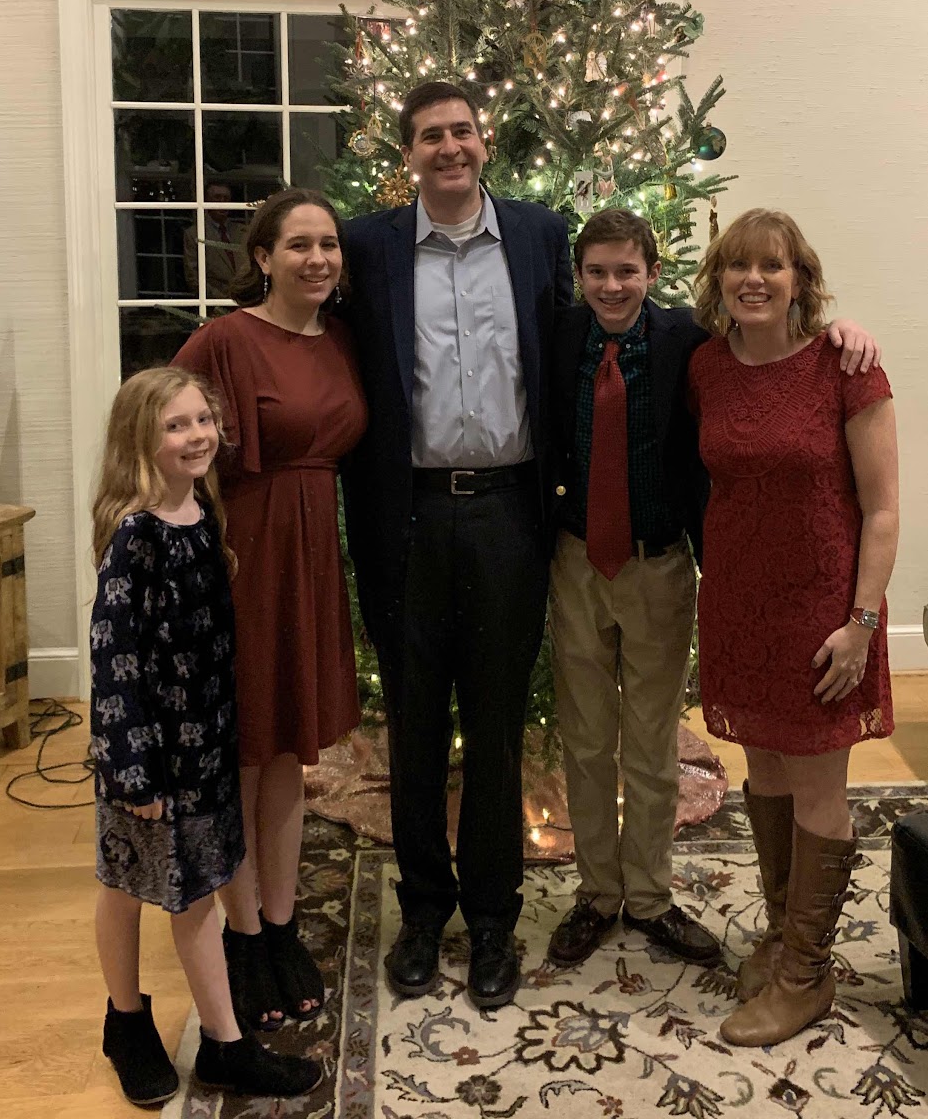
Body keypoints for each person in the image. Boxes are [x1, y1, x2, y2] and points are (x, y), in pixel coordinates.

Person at [545, 208, 881, 975]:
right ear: (577, 277)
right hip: (574, 562)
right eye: (595, 272)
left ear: (653, 273)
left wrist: (841, 329)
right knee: (587, 739)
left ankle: (649, 896)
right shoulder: (558, 336)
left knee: (652, 740)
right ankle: (597, 893)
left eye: (626, 271)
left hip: (659, 562)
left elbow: (783, 349)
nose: (611, 285)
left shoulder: (687, 344)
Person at [340, 81, 574, 1009]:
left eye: (462, 131)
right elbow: (297, 320)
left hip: (510, 515)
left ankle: (490, 918)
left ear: (485, 142)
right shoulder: (366, 246)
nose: (450, 147)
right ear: (407, 154)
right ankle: (423, 909)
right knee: (414, 724)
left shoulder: (539, 234)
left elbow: (590, 336)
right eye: (430, 135)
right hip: (405, 516)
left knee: (497, 723)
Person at [688, 208, 897, 1046]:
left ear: (799, 280)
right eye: (737, 265)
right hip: (738, 605)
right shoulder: (706, 366)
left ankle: (806, 975)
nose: (753, 279)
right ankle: (781, 937)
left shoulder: (846, 368)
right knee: (766, 768)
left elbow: (882, 510)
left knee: (818, 787)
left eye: (770, 266)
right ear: (718, 279)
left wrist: (861, 623)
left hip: (822, 614)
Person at [90, 367, 321, 1106]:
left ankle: (209, 1041)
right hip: (149, 761)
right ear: (139, 439)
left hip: (206, 748)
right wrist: (133, 770)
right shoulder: (135, 535)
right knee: (133, 890)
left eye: (202, 420)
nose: (196, 436)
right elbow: (113, 659)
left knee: (191, 890)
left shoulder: (201, 514)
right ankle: (147, 1026)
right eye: (175, 425)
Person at [174, 188, 367, 1034]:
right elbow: (157, 436)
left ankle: (280, 925)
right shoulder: (224, 341)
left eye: (328, 244)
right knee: (243, 752)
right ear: (262, 257)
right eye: (298, 245)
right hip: (241, 559)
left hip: (313, 558)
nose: (317, 259)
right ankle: (243, 934)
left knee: (289, 746)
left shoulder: (344, 340)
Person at [183, 182, 245, 297]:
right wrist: (221, 299)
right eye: (217, 197)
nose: (222, 202)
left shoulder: (243, 231)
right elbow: (193, 277)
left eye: (226, 198)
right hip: (215, 302)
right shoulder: (195, 234)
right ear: (207, 201)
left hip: (246, 299)